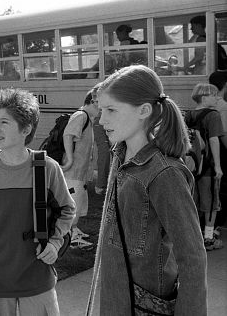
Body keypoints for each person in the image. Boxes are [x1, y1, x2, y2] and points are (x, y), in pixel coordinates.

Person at [86, 65, 207, 315]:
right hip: (116, 300)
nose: (101, 120)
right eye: (100, 110)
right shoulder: (119, 156)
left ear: (144, 110)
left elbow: (192, 257)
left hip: (143, 306)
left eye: (111, 110)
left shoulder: (165, 173)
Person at [0, 88, 76, 316]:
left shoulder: (47, 168)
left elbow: (67, 209)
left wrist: (54, 243)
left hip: (37, 278)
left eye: (4, 122)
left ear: (26, 129)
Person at [62, 86, 100, 250]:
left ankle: (74, 230)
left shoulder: (87, 119)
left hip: (80, 172)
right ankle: (70, 237)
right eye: (99, 104)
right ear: (92, 101)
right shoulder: (81, 116)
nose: (101, 109)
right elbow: (68, 135)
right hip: (73, 171)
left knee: (80, 203)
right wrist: (69, 160)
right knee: (74, 203)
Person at [186, 83, 224, 250]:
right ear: (204, 97)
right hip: (207, 166)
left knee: (192, 201)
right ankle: (208, 238)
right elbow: (214, 140)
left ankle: (191, 236)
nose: (217, 98)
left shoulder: (189, 114)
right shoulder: (213, 115)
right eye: (213, 95)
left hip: (192, 166)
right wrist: (218, 166)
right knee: (210, 202)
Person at [209, 71, 227, 232]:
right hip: (220, 152)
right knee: (221, 190)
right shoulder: (222, 106)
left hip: (207, 155)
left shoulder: (205, 104)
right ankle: (214, 226)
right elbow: (223, 134)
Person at [93, 111, 110, 195]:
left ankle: (103, 184)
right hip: (103, 120)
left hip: (104, 119)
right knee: (105, 151)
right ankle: (101, 184)